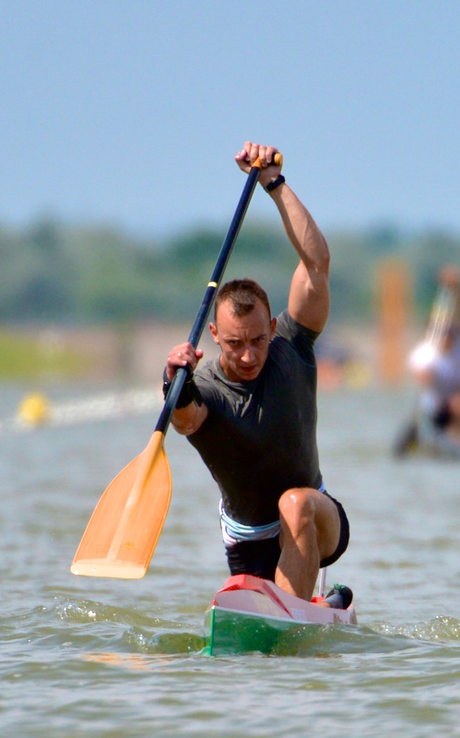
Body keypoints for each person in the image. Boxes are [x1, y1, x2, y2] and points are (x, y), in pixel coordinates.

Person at [163, 141, 350, 605]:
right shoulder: (205, 388)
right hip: (248, 541)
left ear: (272, 328)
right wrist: (172, 381)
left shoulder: (293, 344)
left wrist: (274, 183)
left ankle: (294, 614)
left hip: (316, 518)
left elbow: (317, 264)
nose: (249, 356)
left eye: (257, 340)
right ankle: (306, 607)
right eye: (234, 344)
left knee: (295, 502)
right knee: (241, 594)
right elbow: (185, 420)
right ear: (213, 335)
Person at [403, 265, 460, 452]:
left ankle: (456, 439)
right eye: (443, 332)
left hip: (455, 405)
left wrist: (457, 289)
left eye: (450, 331)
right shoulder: (424, 352)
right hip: (431, 407)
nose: (447, 336)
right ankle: (429, 438)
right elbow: (420, 375)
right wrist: (426, 375)